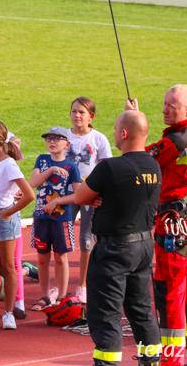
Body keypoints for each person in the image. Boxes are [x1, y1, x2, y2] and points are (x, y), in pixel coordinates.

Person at [129, 85, 187, 366]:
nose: (165, 109)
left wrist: (134, 124)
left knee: (171, 290)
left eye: (173, 105)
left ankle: (171, 361)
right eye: (165, 103)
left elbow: (139, 160)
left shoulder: (175, 141)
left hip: (174, 223)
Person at [69, 110, 162, 366]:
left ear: (123, 134)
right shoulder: (154, 165)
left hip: (114, 249)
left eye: (115, 129)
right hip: (143, 245)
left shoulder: (110, 167)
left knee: (106, 315)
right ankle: (151, 361)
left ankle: (108, 363)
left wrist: (96, 197)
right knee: (141, 310)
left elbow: (80, 197)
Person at [0, 120, 34, 327]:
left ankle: (9, 312)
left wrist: (8, 212)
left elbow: (29, 195)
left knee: (8, 266)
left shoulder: (9, 164)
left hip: (4, 218)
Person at [65, 96, 113, 302]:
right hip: (65, 195)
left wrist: (100, 193)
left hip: (89, 195)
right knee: (60, 239)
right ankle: (59, 285)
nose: (77, 115)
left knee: (86, 240)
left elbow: (107, 168)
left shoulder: (99, 139)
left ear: (90, 116)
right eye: (74, 111)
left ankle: (82, 284)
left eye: (81, 112)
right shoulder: (62, 136)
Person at [30, 127, 81, 311]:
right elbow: (32, 183)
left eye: (57, 139)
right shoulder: (42, 161)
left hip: (62, 219)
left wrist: (58, 200)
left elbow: (78, 195)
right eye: (49, 138)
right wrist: (51, 170)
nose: (52, 142)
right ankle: (44, 296)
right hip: (41, 218)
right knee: (42, 258)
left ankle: (61, 296)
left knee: (61, 257)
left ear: (66, 144)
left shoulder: (71, 167)